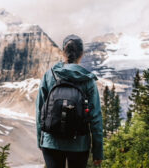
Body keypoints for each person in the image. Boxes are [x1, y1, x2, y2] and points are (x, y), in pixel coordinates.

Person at [36, 34, 103, 168]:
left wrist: (41, 140)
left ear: (63, 52)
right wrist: (97, 152)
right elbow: (95, 117)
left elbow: (40, 110)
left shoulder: (50, 75)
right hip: (79, 143)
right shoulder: (87, 80)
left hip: (51, 142)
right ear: (81, 54)